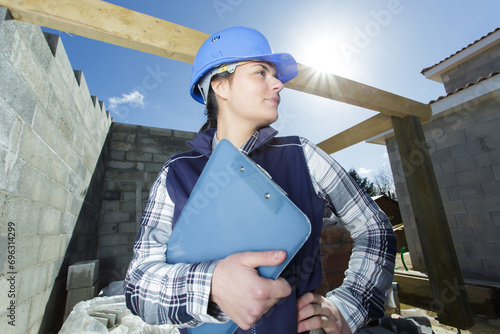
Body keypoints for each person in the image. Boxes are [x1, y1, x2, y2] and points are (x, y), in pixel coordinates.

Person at [124, 26, 396, 333]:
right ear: (220, 86)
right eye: (261, 72)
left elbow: (375, 230)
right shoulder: (176, 174)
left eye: (275, 75)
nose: (279, 84)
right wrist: (212, 286)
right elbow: (138, 285)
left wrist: (348, 307)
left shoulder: (303, 155)